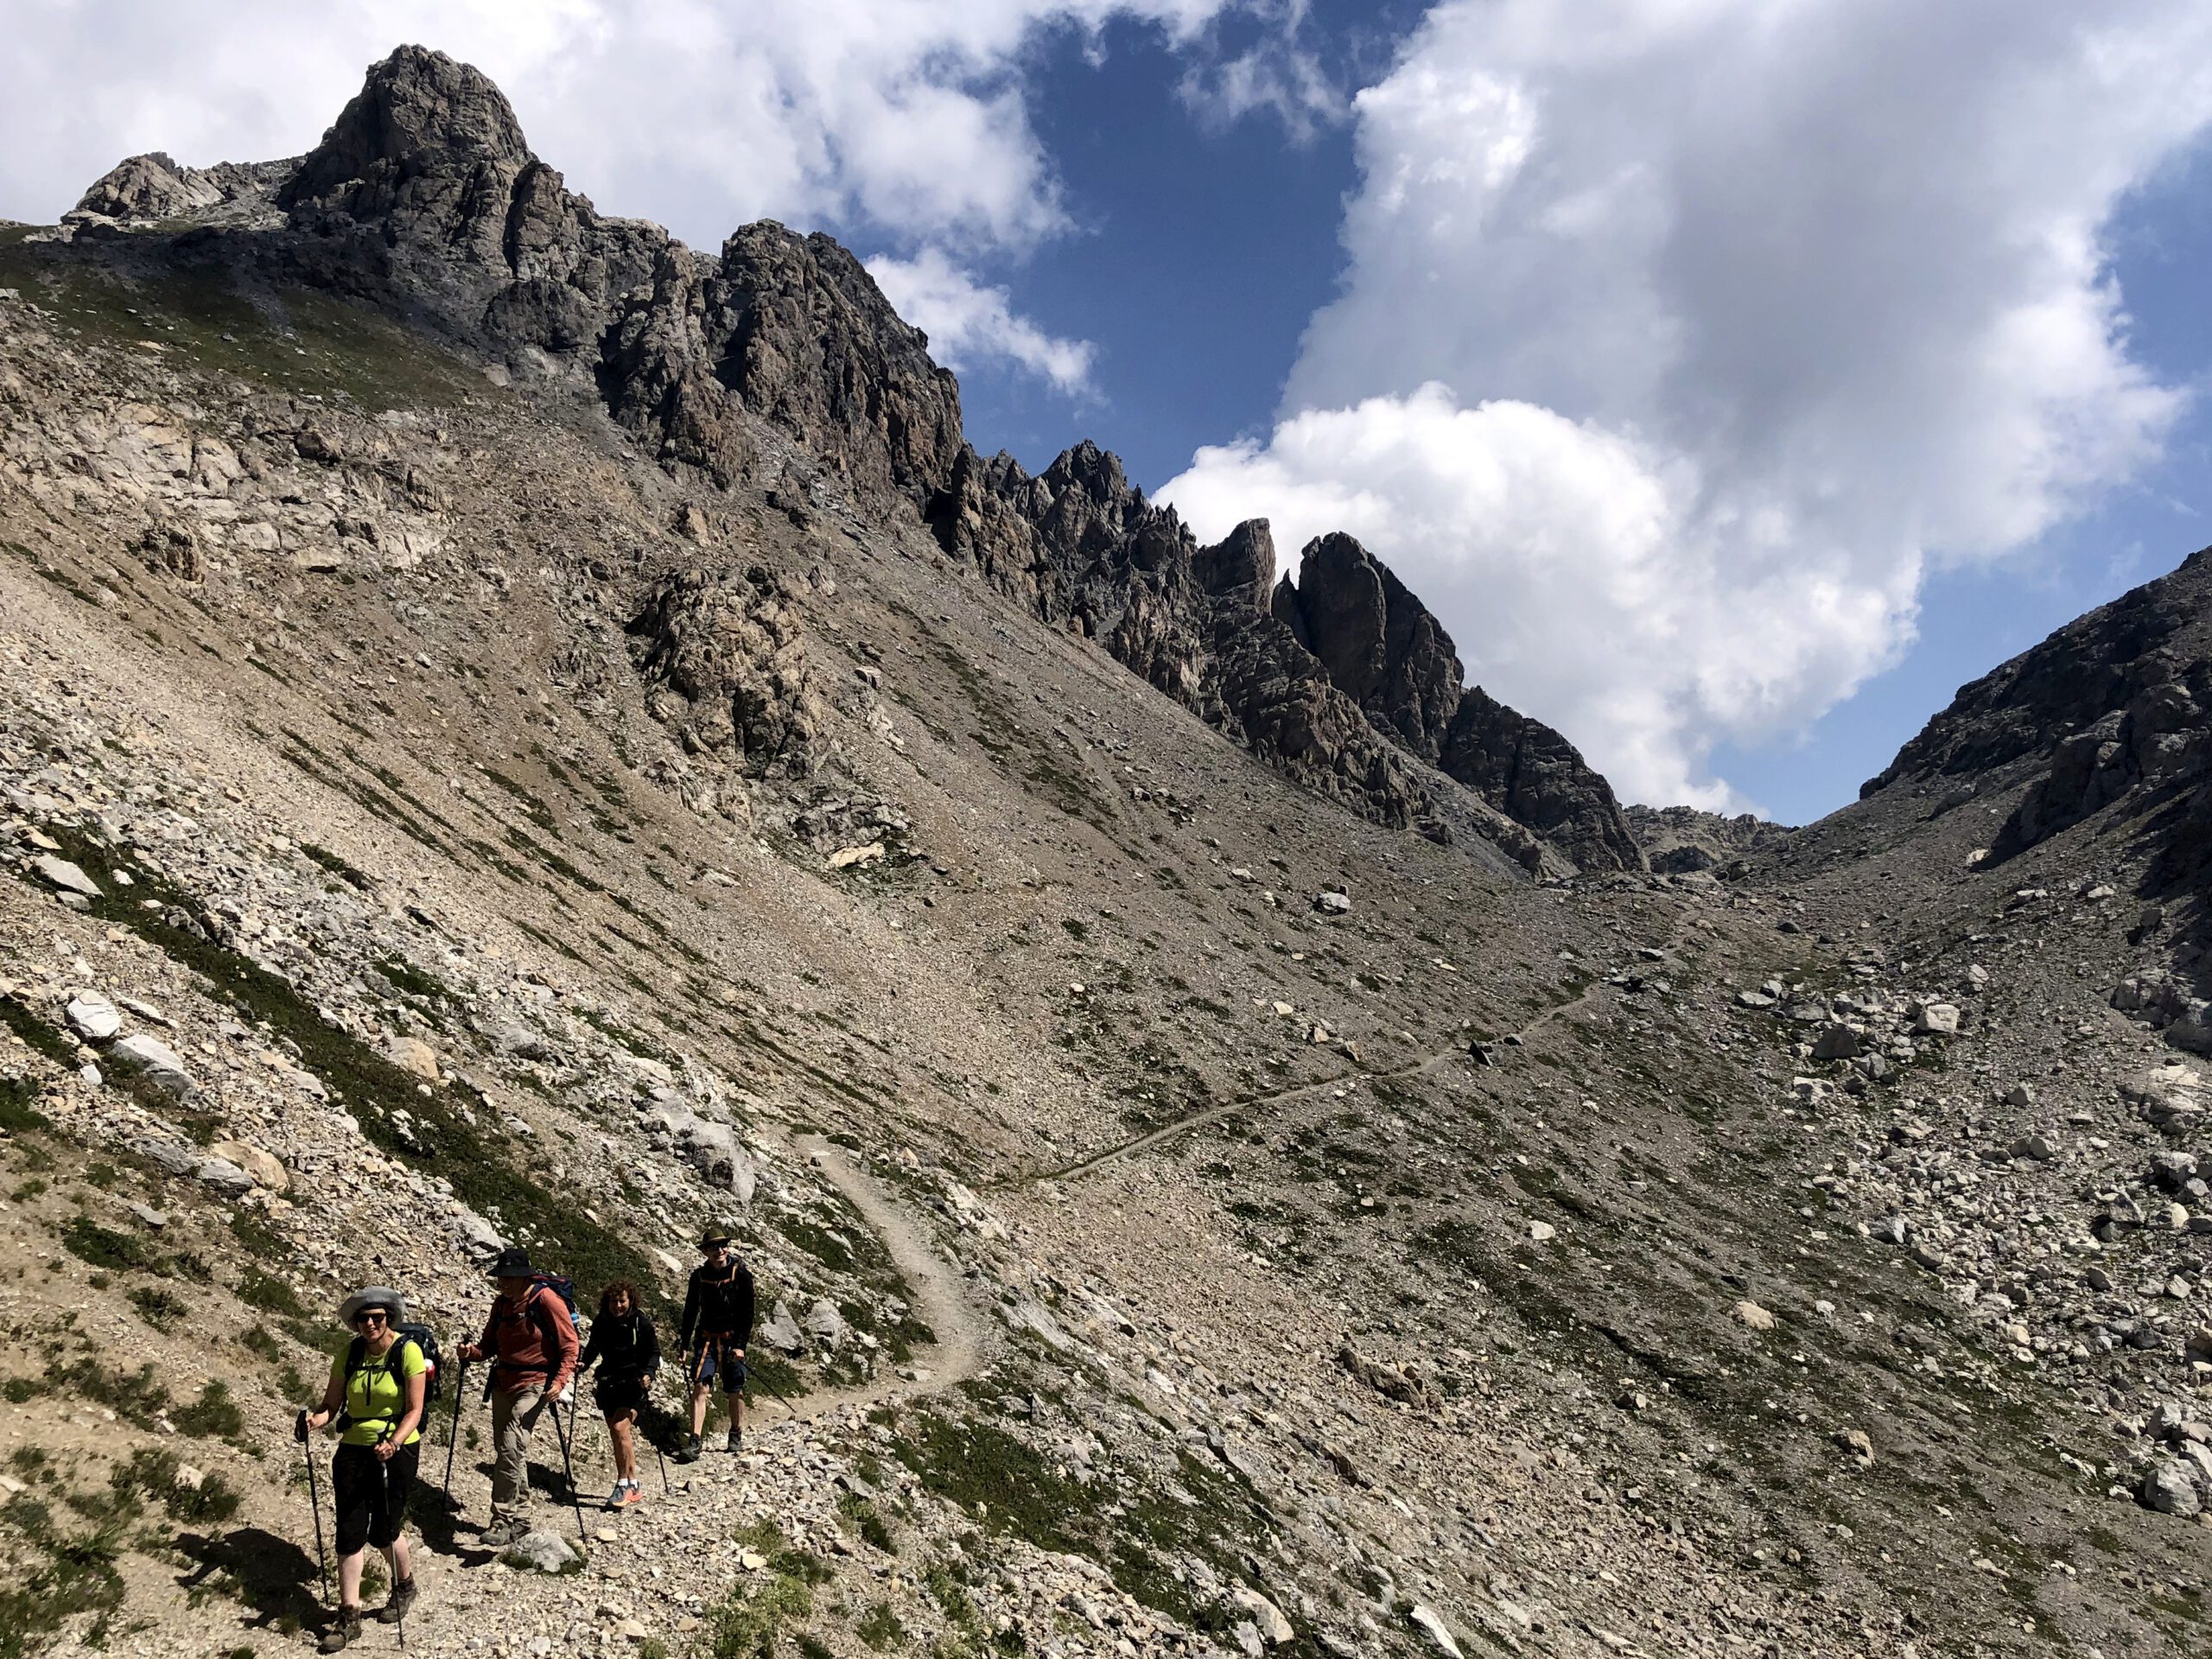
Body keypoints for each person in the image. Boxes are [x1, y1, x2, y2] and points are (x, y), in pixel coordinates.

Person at [298, 1287, 426, 1652]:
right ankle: (349, 1616)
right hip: (353, 1448)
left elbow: (415, 1409)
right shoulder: (350, 1353)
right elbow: (331, 1404)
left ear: (389, 1319)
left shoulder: (407, 1351)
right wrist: (314, 1421)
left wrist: (395, 1442)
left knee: (384, 1529)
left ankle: (404, 1585)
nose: (370, 1324)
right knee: (349, 1529)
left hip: (397, 1449)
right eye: (363, 1319)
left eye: (377, 1318)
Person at [453, 1247, 578, 1548]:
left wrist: (560, 1381)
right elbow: (488, 1347)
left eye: (509, 1277)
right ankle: (522, 1520)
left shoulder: (545, 1300)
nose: (503, 1282)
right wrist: (470, 1353)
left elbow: (570, 1345)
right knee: (510, 1452)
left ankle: (501, 1520)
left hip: (535, 1384)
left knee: (510, 1446)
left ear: (524, 1277)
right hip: (503, 1382)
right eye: (501, 1277)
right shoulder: (501, 1305)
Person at [577, 1281, 660, 1508]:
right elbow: (593, 1347)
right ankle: (633, 1483)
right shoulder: (602, 1321)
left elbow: (654, 1352)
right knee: (619, 1436)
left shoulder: (640, 1322)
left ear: (630, 1301)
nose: (618, 1306)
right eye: (614, 1301)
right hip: (609, 1383)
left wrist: (649, 1373)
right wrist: (584, 1363)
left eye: (622, 1301)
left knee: (619, 1428)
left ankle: (622, 1485)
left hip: (634, 1383)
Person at [676, 1225, 754, 1462]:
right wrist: (684, 1342)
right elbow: (690, 1310)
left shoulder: (741, 1275)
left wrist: (741, 1345)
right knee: (701, 1386)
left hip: (732, 1340)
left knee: (734, 1389)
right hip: (707, 1339)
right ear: (705, 1251)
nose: (719, 1250)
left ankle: (736, 1432)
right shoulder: (698, 1277)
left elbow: (747, 1314)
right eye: (713, 1247)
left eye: (722, 1246)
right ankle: (695, 1440)